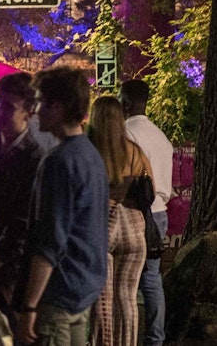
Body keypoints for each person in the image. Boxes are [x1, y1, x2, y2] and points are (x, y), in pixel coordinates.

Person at [14, 67, 108, 346]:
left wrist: (30, 305)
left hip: (57, 293)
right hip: (83, 290)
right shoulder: (91, 155)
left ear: (59, 107)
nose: (35, 111)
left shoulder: (59, 161)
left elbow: (50, 240)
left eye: (41, 102)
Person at [0, 72, 49, 316]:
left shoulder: (34, 159)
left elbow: (22, 226)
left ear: (29, 111)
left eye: (8, 106)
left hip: (9, 273)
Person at [87, 97, 152, 346]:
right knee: (127, 297)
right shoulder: (134, 150)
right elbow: (151, 189)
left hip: (102, 223)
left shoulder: (89, 149)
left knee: (102, 300)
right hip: (134, 224)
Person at [120, 80, 173, 346]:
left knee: (124, 279)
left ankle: (125, 336)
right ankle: (155, 339)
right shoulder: (161, 137)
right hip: (160, 212)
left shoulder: (126, 134)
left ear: (126, 103)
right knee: (152, 279)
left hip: (134, 212)